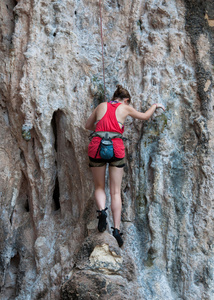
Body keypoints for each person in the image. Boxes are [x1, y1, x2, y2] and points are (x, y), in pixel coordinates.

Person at [85, 85, 165, 247]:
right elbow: (144, 116)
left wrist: (102, 128)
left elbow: (87, 126)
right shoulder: (125, 108)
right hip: (115, 147)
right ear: (126, 100)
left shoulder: (101, 106)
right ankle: (116, 230)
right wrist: (155, 106)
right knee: (115, 192)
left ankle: (101, 211)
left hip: (97, 146)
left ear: (114, 97)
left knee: (99, 186)